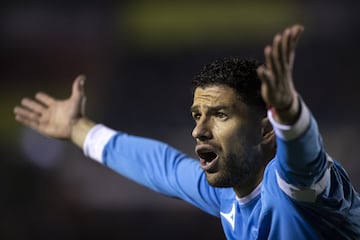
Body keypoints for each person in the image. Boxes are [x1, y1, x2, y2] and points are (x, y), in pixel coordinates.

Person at [13, 24, 360, 239]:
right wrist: (78, 128)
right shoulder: (228, 194)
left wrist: (289, 113)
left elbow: (304, 155)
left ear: (265, 130)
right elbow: (162, 166)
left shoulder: (297, 188)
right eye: (197, 115)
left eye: (220, 114)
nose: (198, 130)